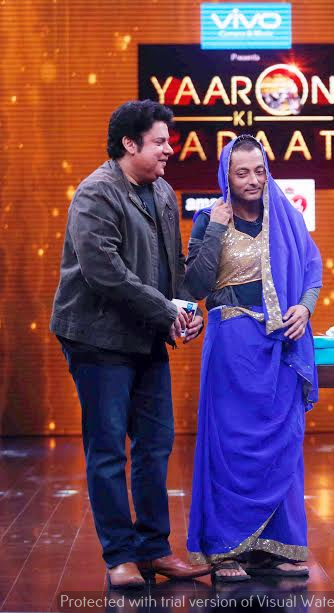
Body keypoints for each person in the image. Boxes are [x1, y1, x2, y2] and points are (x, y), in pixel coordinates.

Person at [50, 100, 210, 588]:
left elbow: (171, 267)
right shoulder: (95, 193)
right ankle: (119, 555)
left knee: (155, 445)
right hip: (96, 337)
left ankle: (154, 549)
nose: (168, 150)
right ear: (129, 144)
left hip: (145, 335)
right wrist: (165, 311)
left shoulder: (162, 191)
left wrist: (185, 313)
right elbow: (105, 273)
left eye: (168, 141)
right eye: (159, 141)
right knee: (107, 449)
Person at [185, 135, 322, 582]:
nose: (253, 180)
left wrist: (305, 308)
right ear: (226, 176)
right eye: (241, 172)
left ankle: (275, 545)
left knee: (282, 443)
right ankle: (226, 550)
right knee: (230, 446)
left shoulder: (285, 217)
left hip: (280, 347)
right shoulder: (208, 219)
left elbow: (311, 271)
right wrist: (217, 228)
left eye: (259, 170)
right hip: (231, 348)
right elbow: (194, 286)